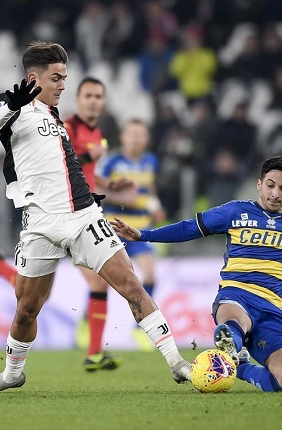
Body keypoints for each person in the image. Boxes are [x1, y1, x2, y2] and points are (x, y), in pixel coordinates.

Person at [0, 41, 191, 393]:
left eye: (64, 78)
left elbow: (64, 166)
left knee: (131, 285)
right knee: (26, 309)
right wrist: (12, 104)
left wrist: (94, 193)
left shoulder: (55, 118)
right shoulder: (14, 109)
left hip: (82, 216)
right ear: (32, 78)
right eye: (56, 78)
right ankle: (11, 374)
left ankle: (178, 364)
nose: (62, 85)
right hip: (39, 224)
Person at [111, 156, 282, 392]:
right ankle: (230, 340)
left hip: (274, 310)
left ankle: (239, 364)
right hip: (237, 296)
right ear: (259, 184)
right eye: (270, 185)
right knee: (234, 324)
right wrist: (145, 235)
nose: (275, 193)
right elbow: (191, 228)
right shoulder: (235, 212)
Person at [0, 77, 134, 372]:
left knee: (55, 291)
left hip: (79, 212)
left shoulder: (96, 133)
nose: (94, 101)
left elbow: (82, 173)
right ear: (80, 100)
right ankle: (94, 351)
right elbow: (54, 161)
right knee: (38, 296)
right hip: (53, 213)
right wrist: (87, 156)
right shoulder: (62, 123)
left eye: (99, 95)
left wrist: (111, 184)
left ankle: (95, 351)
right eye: (88, 95)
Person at [98, 119, 166, 351]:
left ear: (146, 139)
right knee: (101, 282)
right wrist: (121, 198)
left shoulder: (150, 161)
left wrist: (155, 205)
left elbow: (150, 188)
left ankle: (142, 328)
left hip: (139, 230)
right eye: (132, 133)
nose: (136, 138)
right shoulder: (111, 162)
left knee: (150, 274)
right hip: (112, 228)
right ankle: (87, 323)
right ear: (123, 136)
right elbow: (96, 189)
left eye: (140, 134)